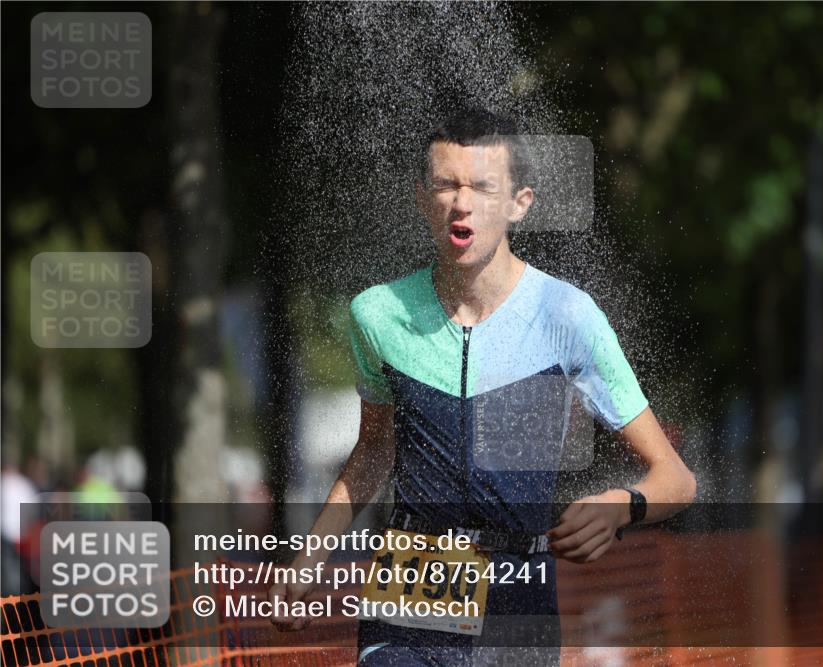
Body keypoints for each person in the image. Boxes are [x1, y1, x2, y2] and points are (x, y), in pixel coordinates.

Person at [271, 108, 697, 665]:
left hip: (519, 594)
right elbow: (376, 447)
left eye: (481, 187)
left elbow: (677, 479)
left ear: (519, 203)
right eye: (445, 184)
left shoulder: (566, 315)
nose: (461, 202)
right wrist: (312, 554)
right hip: (415, 577)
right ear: (422, 197)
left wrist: (622, 505)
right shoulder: (377, 315)